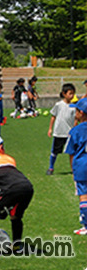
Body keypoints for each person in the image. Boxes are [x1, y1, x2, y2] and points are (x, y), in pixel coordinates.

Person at [64, 98, 87, 235]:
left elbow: (71, 153)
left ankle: (85, 225)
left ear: (81, 113)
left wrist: (73, 170)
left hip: (81, 166)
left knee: (83, 195)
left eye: (76, 111)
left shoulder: (75, 131)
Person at [47, 84, 76, 175]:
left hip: (69, 133)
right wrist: (50, 129)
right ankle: (51, 167)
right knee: (55, 151)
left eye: (73, 94)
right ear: (64, 93)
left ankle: (73, 169)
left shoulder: (74, 107)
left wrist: (74, 129)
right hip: (59, 133)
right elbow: (53, 116)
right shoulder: (58, 105)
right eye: (70, 93)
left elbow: (75, 119)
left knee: (72, 152)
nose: (71, 96)